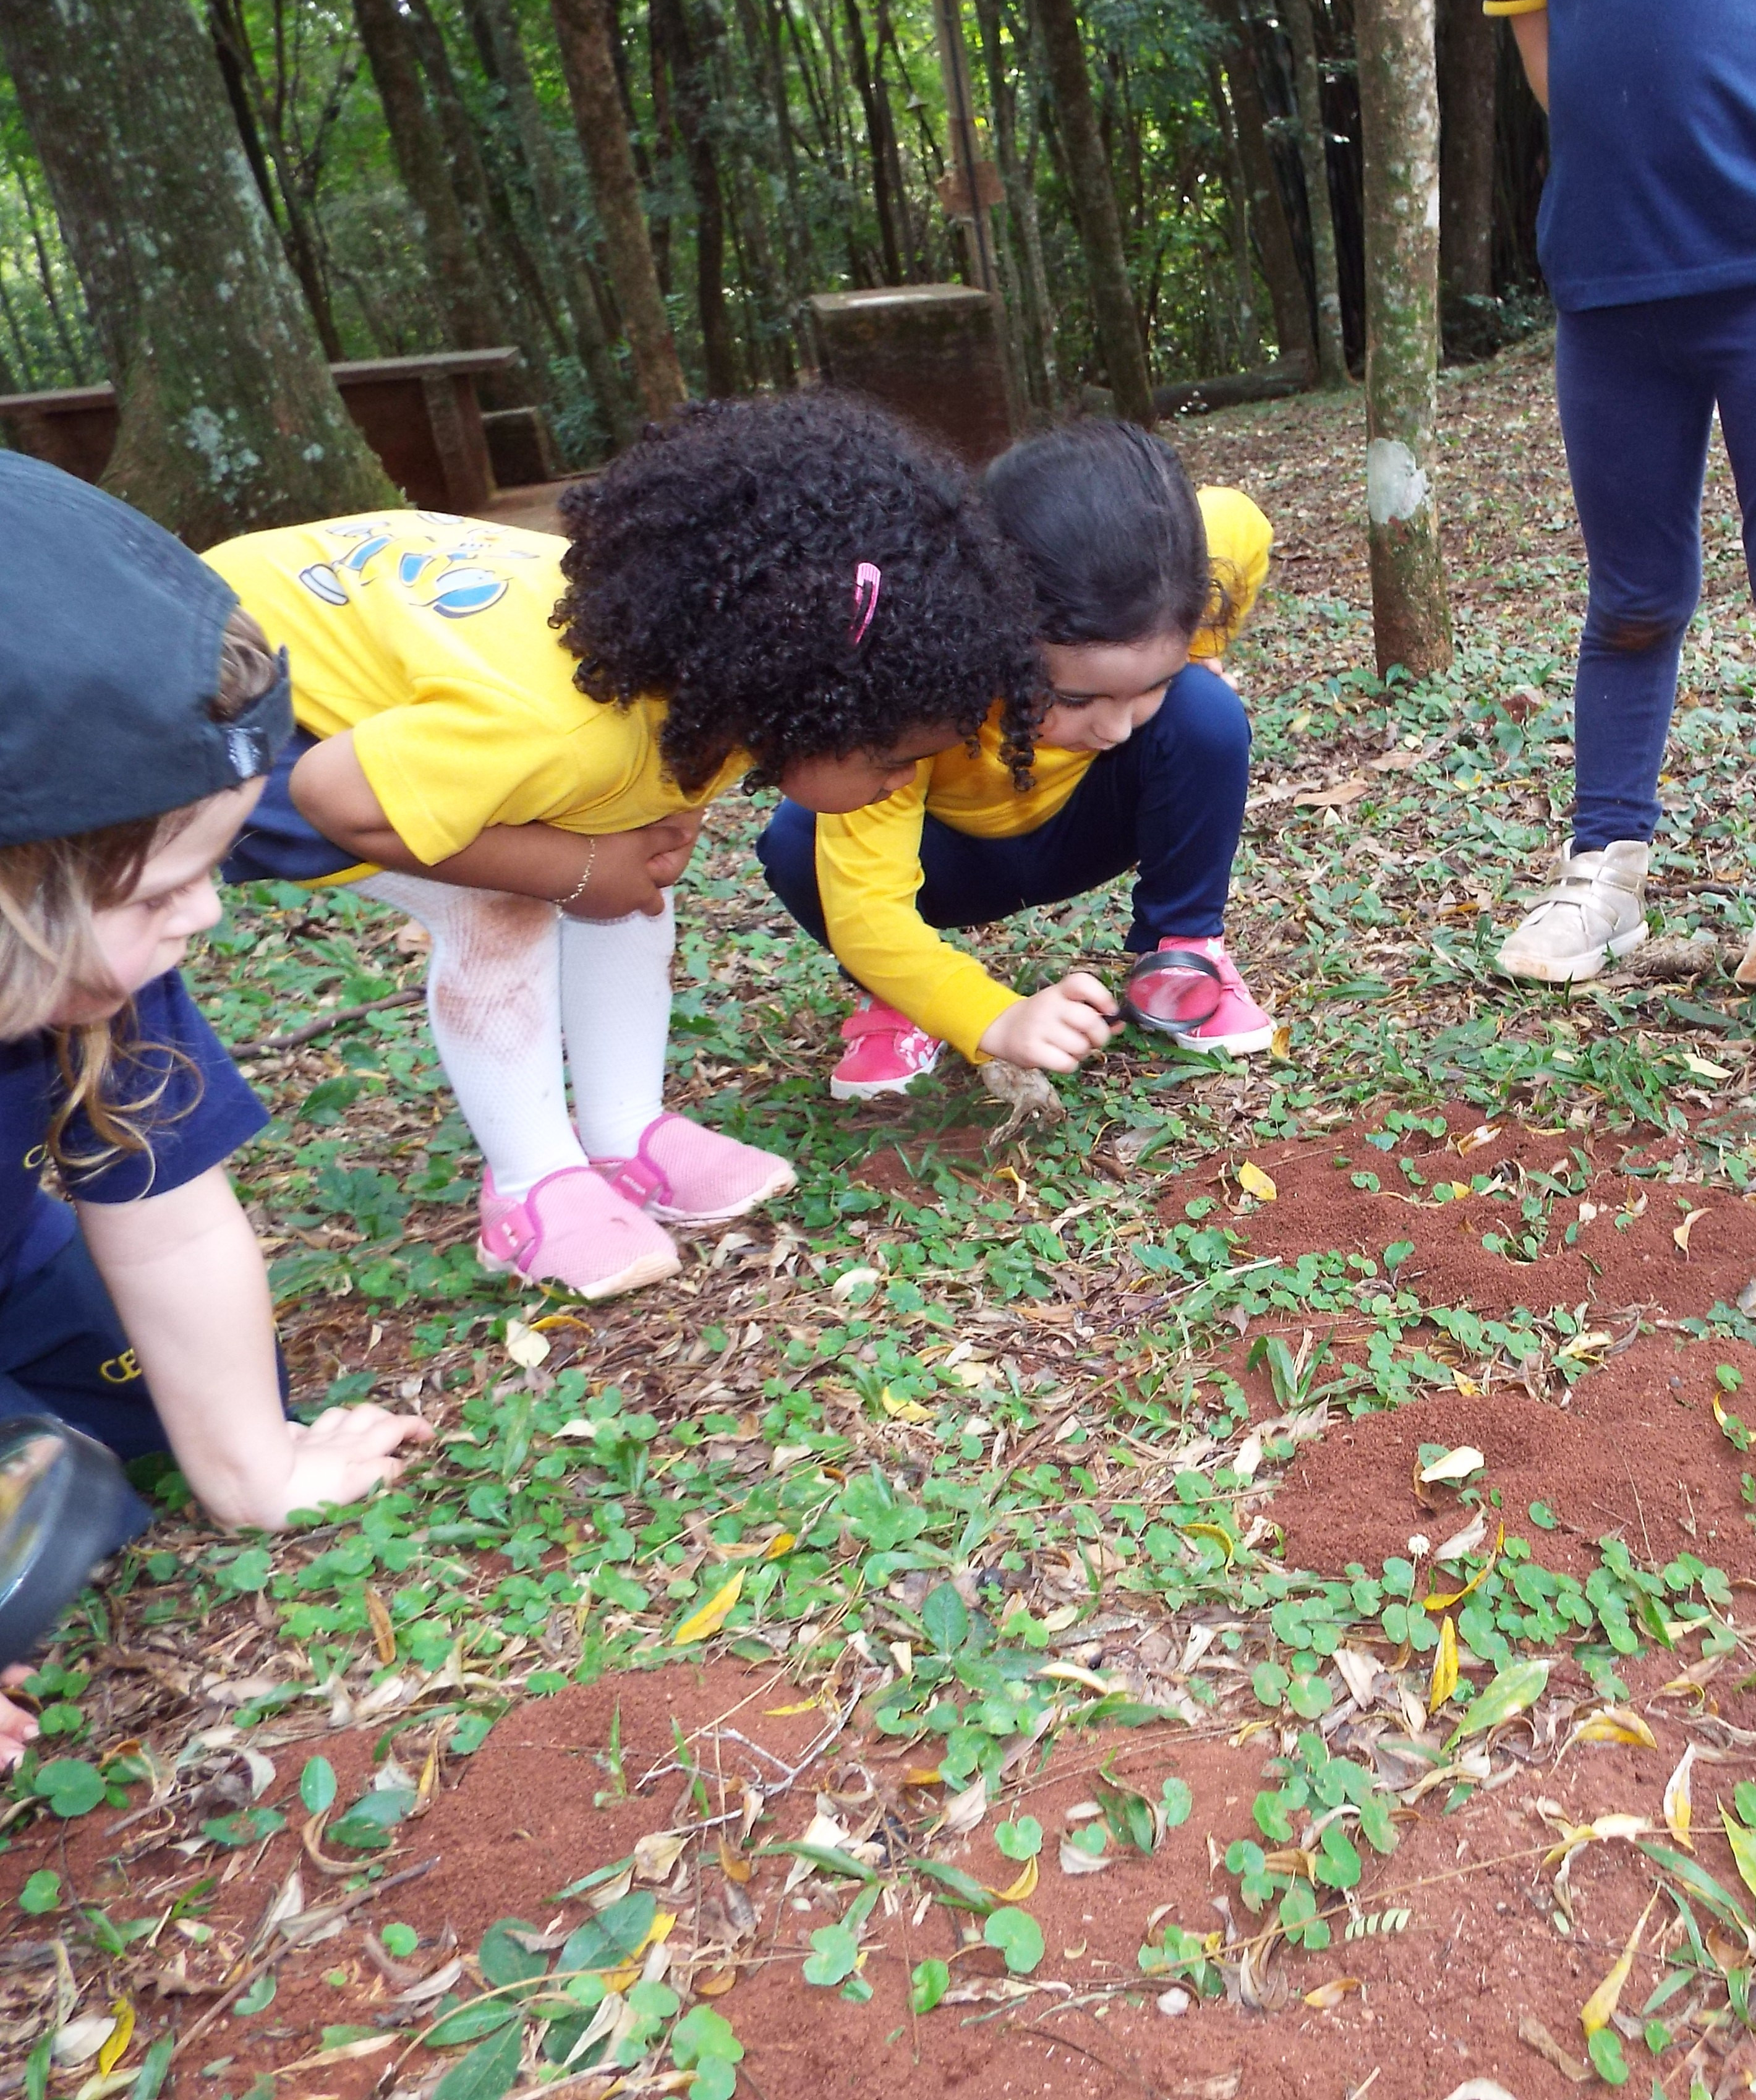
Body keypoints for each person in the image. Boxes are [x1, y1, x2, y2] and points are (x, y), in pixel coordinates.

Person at [211, 393, 1041, 1297]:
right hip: (254, 703)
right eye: (892, 759)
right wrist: (575, 871)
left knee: (624, 872)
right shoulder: (561, 727)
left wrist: (655, 833)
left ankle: (625, 1135)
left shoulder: (723, 654)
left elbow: (655, 794)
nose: (902, 782)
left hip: (399, 687)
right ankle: (530, 1191)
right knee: (504, 904)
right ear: (812, 706)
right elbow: (335, 797)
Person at [0, 457, 430, 1731]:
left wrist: (255, 1469)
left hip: (19, 1277)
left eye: (215, 863)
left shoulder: (96, 979)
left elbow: (170, 1217)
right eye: (157, 891)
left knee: (111, 1459)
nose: (207, 915)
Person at [1483, 0, 1756, 991]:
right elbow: (1539, 28)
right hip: (1612, 275)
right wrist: (1638, 170)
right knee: (1631, 599)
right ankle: (1604, 871)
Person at [757, 420, 1275, 1091]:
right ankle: (901, 998)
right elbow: (866, 911)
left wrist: (1198, 657)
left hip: (1087, 826)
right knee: (799, 837)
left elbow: (1242, 521)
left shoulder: (1178, 571)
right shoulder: (918, 691)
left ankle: (1182, 958)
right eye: (1075, 698)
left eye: (1149, 686)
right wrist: (991, 1017)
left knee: (1204, 711)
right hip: (949, 865)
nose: (1116, 727)